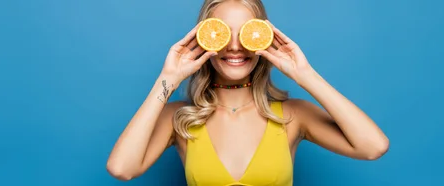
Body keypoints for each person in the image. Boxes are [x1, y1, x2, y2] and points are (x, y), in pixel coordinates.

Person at [106, 0, 389, 185]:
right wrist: (167, 79)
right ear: (205, 38)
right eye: (223, 33)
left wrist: (306, 76)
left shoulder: (293, 115)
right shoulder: (179, 119)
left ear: (263, 38)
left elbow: (373, 147)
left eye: (246, 33)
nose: (234, 46)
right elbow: (122, 168)